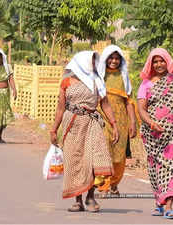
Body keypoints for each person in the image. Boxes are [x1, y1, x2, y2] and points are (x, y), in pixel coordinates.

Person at [50, 51, 119, 212]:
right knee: (75, 161)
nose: (95, 65)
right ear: (81, 62)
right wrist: (53, 129)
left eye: (96, 62)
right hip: (72, 125)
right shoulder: (66, 82)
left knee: (95, 160)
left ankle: (90, 197)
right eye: (92, 62)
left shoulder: (97, 80)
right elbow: (60, 107)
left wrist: (114, 124)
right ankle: (78, 201)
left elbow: (105, 104)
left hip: (92, 123)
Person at [137, 48, 173, 219]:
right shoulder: (146, 84)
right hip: (153, 134)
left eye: (162, 61)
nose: (159, 64)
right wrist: (152, 123)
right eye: (155, 61)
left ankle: (168, 206)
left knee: (171, 166)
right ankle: (159, 201)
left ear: (168, 62)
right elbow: (142, 109)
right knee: (154, 169)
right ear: (150, 64)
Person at [95, 45, 137, 194]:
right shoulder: (98, 76)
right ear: (105, 59)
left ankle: (114, 183)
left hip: (121, 120)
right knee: (103, 149)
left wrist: (132, 122)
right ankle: (102, 183)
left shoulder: (123, 76)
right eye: (111, 58)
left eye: (117, 58)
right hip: (101, 118)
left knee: (118, 154)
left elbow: (129, 102)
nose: (114, 61)